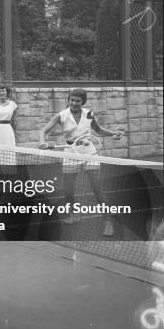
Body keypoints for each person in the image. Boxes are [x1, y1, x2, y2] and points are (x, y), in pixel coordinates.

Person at [39, 88, 123, 236]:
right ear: (68, 99)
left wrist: (113, 133)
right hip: (70, 151)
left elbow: (98, 130)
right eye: (72, 100)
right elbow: (44, 131)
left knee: (97, 188)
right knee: (68, 190)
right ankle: (75, 214)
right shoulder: (61, 115)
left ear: (82, 102)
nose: (74, 103)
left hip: (89, 151)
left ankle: (108, 222)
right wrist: (42, 141)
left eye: (77, 101)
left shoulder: (88, 114)